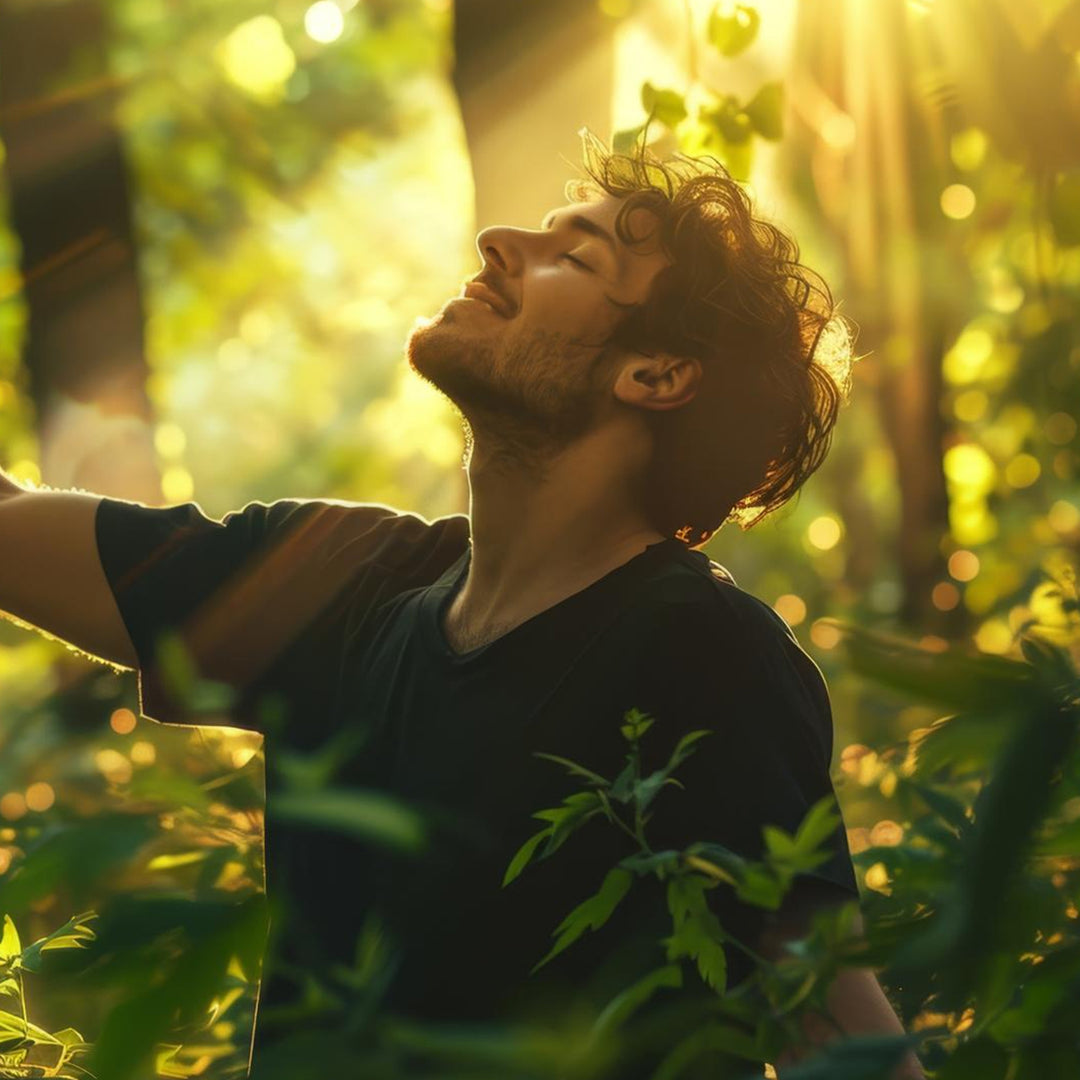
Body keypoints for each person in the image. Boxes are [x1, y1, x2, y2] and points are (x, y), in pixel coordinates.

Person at [0, 129, 923, 1078]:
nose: (496, 241)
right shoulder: (339, 579)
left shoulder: (705, 654)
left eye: (574, 256)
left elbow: (832, 1029)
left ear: (655, 375)